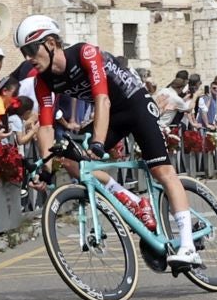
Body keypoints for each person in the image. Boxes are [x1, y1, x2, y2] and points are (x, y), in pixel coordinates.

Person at [17, 14, 201, 268]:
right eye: (23, 52)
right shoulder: (43, 81)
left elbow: (102, 99)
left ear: (50, 43)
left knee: (161, 170)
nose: (27, 57)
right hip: (112, 116)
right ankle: (135, 202)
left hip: (135, 105)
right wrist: (47, 169)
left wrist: (98, 144)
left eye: (30, 49)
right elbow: (46, 127)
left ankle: (189, 247)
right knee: (71, 160)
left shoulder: (85, 53)